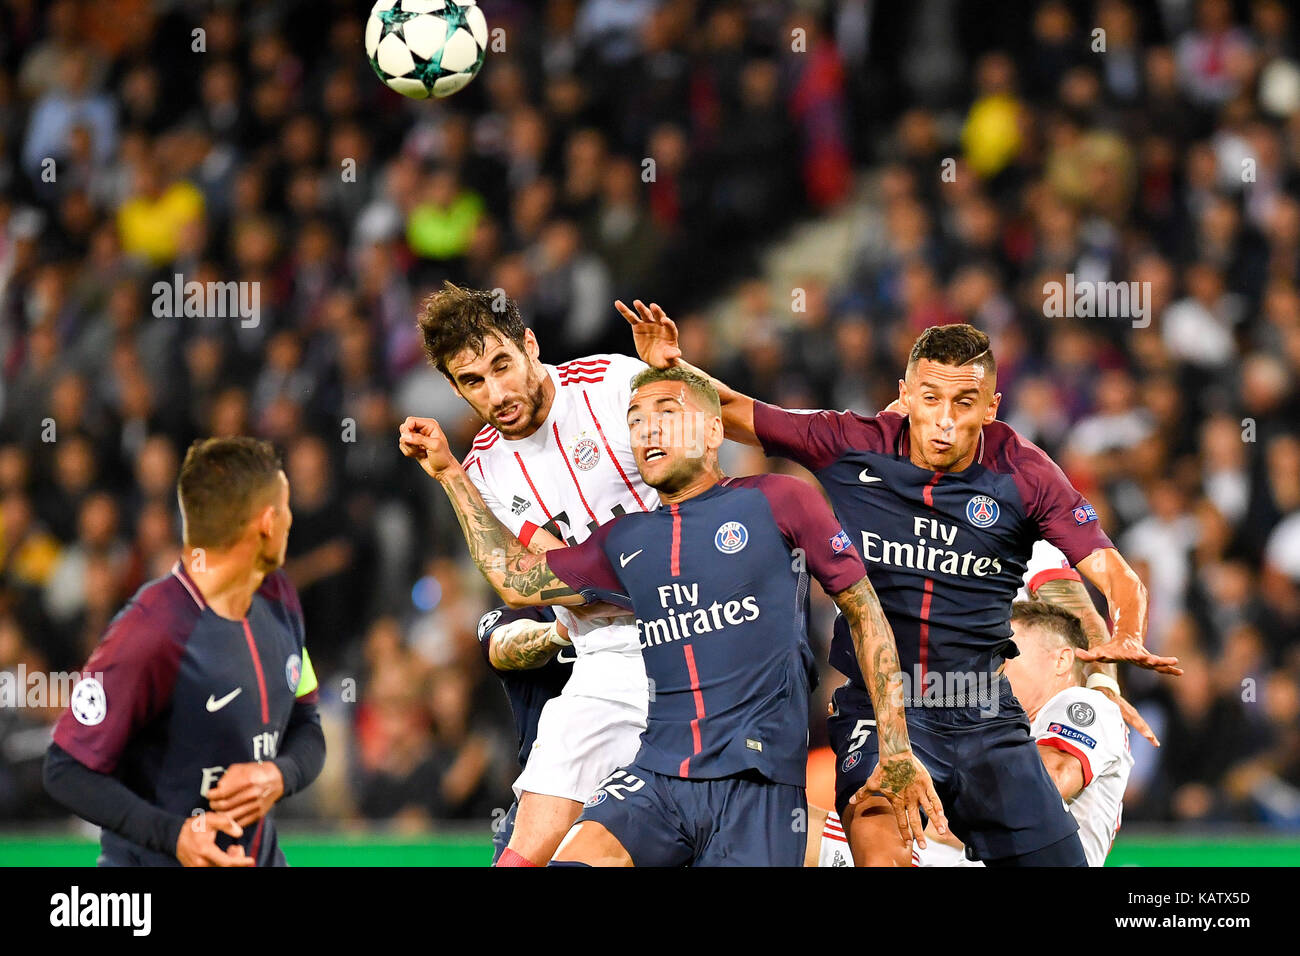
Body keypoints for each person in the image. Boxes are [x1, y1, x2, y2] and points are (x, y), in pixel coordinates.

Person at [621, 302, 1178, 866]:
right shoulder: (852, 442)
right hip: (880, 706)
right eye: (930, 399)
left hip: (984, 711)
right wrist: (676, 368)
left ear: (991, 406)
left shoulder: (1025, 473)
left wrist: (1127, 634)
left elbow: (1111, 573)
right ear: (905, 395)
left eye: (964, 403)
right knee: (878, 843)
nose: (944, 420)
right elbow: (743, 412)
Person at [400, 364, 943, 865]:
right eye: (635, 421)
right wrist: (451, 473)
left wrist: (895, 747)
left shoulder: (780, 500)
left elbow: (866, 611)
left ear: (713, 433)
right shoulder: (626, 539)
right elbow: (516, 581)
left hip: (753, 781)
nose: (648, 431)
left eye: (666, 415)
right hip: (658, 776)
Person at [409, 281, 656, 866]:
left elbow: (713, 461)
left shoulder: (613, 383)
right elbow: (524, 581)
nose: (496, 393)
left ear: (530, 344)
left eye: (502, 365)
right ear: (453, 387)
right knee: (524, 854)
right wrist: (450, 476)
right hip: (606, 658)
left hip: (701, 631)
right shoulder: (485, 473)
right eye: (472, 381)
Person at [42, 437, 326, 866]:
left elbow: (307, 724)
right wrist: (174, 836)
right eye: (285, 508)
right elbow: (65, 769)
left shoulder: (281, 597)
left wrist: (277, 775)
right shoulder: (151, 631)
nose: (291, 520)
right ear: (267, 522)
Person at [914, 601, 1134, 867]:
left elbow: (1051, 779)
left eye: (1006, 652)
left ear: (1061, 660)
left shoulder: (1086, 704)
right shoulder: (1008, 728)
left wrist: (942, 801)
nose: (991, 665)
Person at [475, 604, 574, 863]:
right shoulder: (519, 616)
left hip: (634, 786)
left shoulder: (627, 609)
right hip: (546, 794)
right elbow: (502, 646)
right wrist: (559, 632)